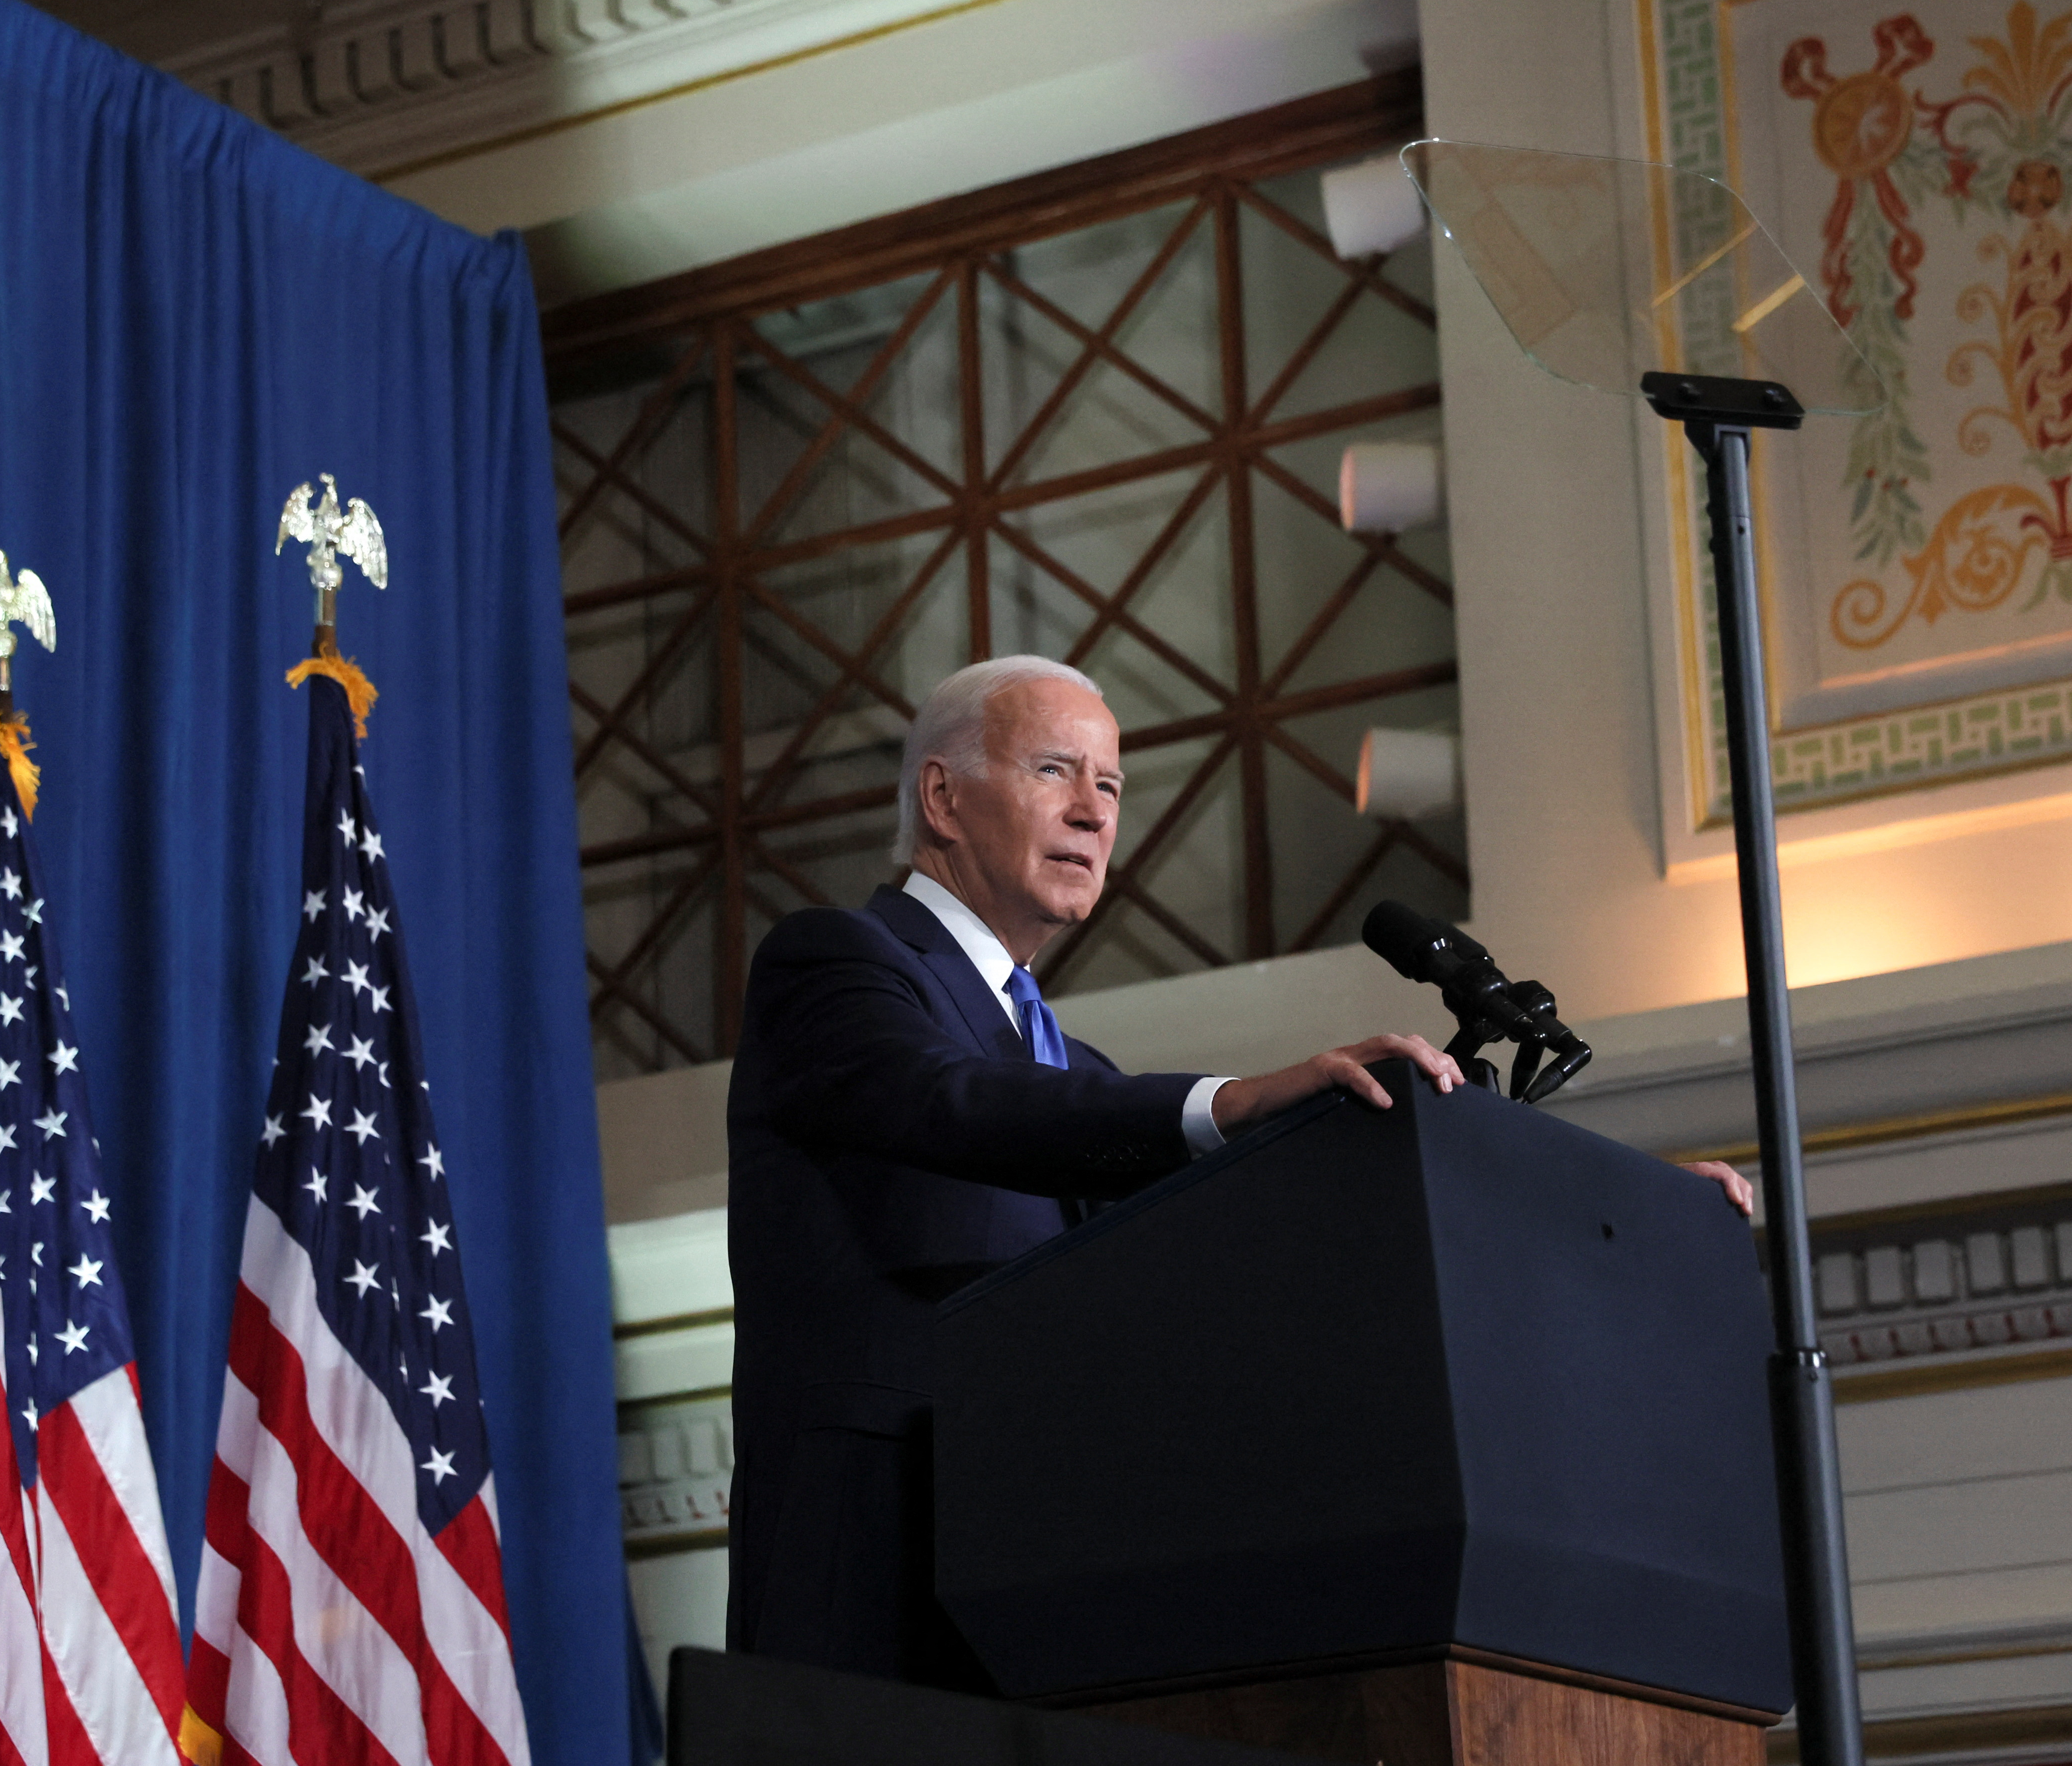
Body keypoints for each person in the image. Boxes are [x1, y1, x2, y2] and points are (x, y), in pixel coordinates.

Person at [720, 655, 1751, 1686]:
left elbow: (1249, 1210)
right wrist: (1244, 1094)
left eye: (1112, 785)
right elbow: (951, 1101)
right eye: (1054, 770)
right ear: (943, 796)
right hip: (870, 1551)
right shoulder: (836, 961)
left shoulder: (1067, 1065)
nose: (1093, 811)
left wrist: (1623, 1214)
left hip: (1031, 1569)